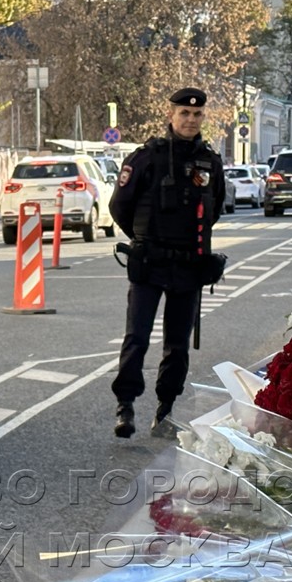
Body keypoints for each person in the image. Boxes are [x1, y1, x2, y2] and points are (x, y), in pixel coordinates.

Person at [108, 87, 226, 439]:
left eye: (197, 114)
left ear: (203, 117)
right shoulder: (146, 158)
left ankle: (166, 407)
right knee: (137, 338)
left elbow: (214, 210)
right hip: (150, 263)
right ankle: (125, 405)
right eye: (184, 114)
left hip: (189, 266)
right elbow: (120, 206)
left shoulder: (209, 162)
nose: (190, 120)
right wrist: (145, 239)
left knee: (177, 343)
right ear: (171, 115)